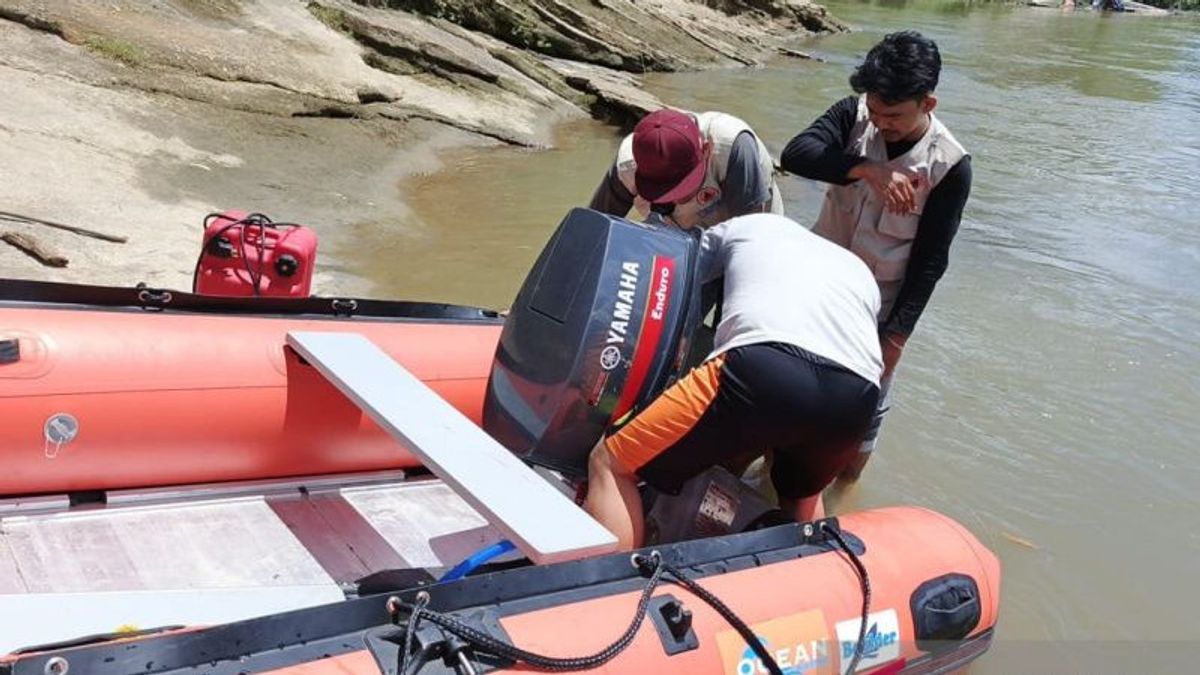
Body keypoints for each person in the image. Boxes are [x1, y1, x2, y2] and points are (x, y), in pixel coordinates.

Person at [584, 213, 883, 551]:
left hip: (762, 366)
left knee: (611, 462)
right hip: (856, 398)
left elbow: (673, 274)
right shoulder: (857, 268)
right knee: (802, 497)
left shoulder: (744, 226)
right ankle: (815, 580)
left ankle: (616, 594)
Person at [780, 30, 972, 481]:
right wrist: (865, 169)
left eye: (895, 115)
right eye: (876, 110)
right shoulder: (853, 117)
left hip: (875, 309)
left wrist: (896, 339)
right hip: (815, 292)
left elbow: (930, 263)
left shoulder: (949, 166)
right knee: (790, 398)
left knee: (862, 421)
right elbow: (795, 155)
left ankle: (846, 489)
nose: (882, 122)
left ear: (929, 104)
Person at [589, 108, 783, 229]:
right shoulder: (628, 163)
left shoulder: (734, 149)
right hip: (675, 230)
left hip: (745, 219)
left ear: (707, 149)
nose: (676, 200)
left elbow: (749, 240)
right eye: (662, 194)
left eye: (682, 189)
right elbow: (592, 229)